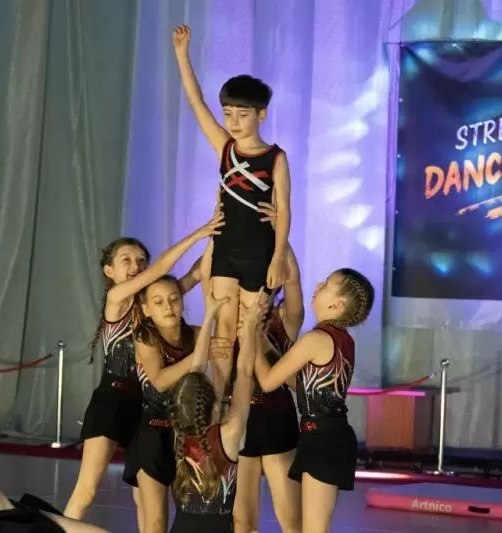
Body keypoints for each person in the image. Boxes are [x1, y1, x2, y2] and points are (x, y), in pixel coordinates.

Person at [65, 213, 223, 522]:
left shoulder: (152, 301)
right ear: (109, 271)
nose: (136, 265)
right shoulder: (117, 299)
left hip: (144, 407)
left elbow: (196, 274)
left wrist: (216, 236)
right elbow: (162, 269)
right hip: (113, 401)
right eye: (126, 260)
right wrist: (198, 233)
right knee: (86, 490)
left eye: (141, 260)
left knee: (144, 499)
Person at [172, 24, 292, 404]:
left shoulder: (275, 157)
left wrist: (278, 257)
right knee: (224, 330)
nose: (234, 121)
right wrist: (182, 55)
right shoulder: (224, 148)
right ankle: (217, 409)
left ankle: (243, 408)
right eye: (228, 114)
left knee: (248, 331)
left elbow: (285, 208)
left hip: (259, 253)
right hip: (225, 249)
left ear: (262, 114)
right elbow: (196, 102)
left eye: (242, 114)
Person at [254, 269, 374, 533]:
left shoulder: (316, 339)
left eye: (327, 284)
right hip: (327, 434)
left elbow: (267, 382)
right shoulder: (342, 339)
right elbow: (301, 385)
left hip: (323, 438)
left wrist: (251, 340)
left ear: (337, 304)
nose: (319, 285)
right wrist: (264, 345)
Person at [122, 275, 229, 533]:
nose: (168, 307)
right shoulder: (145, 337)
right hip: (153, 433)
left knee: (191, 515)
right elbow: (160, 381)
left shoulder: (197, 334)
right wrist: (200, 353)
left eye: (174, 299)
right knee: (156, 522)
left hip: (187, 435)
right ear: (146, 309)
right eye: (158, 302)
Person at [167, 289, 265, 533]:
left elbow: (196, 369)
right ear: (214, 405)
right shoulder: (229, 433)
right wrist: (250, 326)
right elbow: (244, 371)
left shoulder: (179, 435)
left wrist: (210, 315)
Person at [234, 243, 303, 533]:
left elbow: (294, 280)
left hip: (277, 418)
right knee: (242, 521)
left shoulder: (284, 320)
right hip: (240, 420)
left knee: (291, 519)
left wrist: (280, 238)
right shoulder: (230, 321)